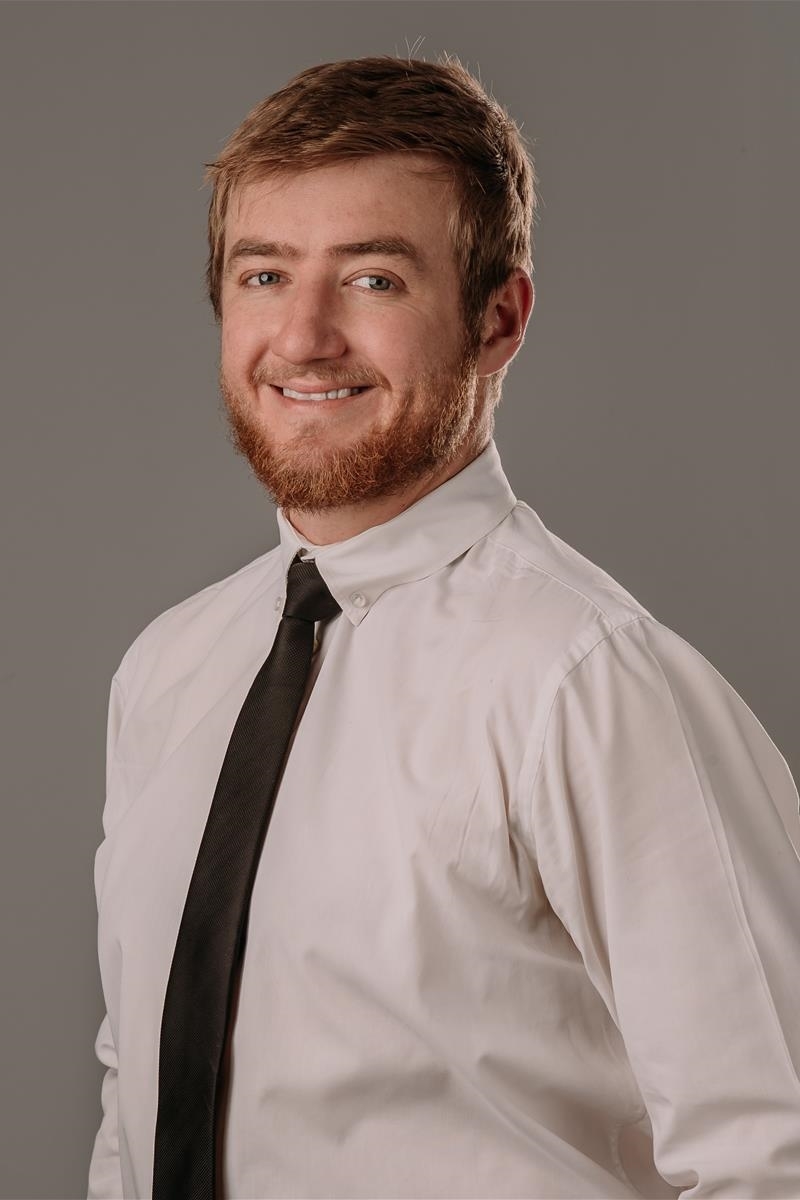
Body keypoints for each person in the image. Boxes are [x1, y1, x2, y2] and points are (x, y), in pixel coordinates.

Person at [88, 54, 800, 1200]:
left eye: (371, 279)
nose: (303, 336)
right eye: (264, 274)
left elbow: (773, 1150)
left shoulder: (581, 682)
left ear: (496, 319)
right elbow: (136, 1098)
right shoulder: (169, 671)